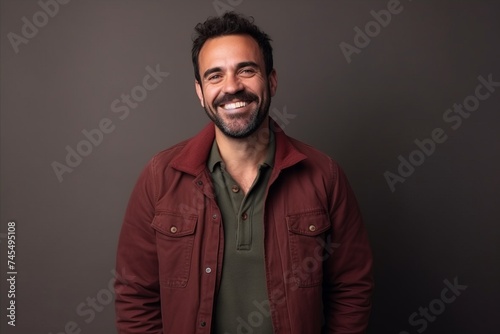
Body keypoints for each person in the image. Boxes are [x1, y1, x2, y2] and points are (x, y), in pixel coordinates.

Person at [115, 11, 373, 334]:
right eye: (215, 76)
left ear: (272, 80)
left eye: (246, 70)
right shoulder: (160, 177)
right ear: (200, 92)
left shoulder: (325, 176)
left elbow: (352, 287)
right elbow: (135, 295)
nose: (232, 87)